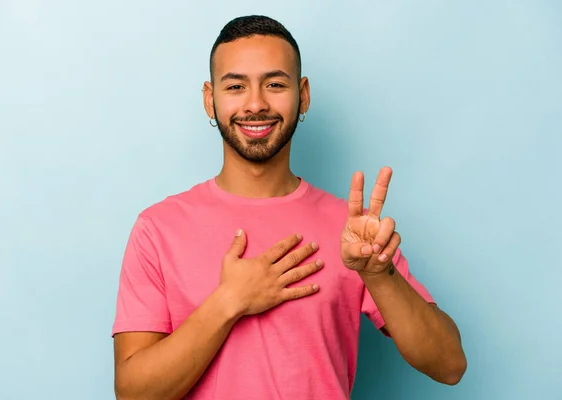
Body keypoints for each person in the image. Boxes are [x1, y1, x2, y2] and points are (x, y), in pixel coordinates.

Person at [111, 15, 467, 400]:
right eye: (235, 86)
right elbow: (134, 394)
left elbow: (449, 365)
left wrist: (379, 274)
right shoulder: (158, 229)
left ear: (304, 95)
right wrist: (229, 301)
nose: (256, 104)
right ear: (209, 100)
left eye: (275, 84)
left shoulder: (351, 230)